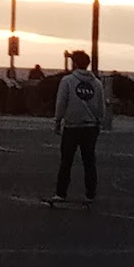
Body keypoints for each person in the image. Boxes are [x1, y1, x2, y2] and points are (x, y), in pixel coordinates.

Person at [47, 50, 106, 206]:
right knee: (89, 161)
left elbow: (61, 102)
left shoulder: (67, 81)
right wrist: (100, 121)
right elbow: (101, 106)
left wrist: (58, 120)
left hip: (72, 127)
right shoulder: (97, 83)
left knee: (66, 161)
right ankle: (90, 193)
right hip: (90, 127)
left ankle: (61, 193)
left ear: (74, 63)